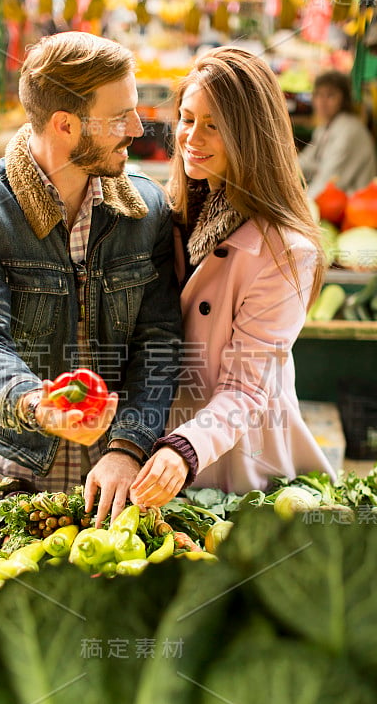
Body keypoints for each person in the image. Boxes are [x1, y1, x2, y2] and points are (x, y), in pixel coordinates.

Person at [0, 31, 182, 524]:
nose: (137, 127)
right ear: (65, 124)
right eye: (119, 117)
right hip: (14, 464)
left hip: (116, 466)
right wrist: (36, 403)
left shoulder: (147, 207)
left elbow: (160, 339)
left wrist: (128, 446)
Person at [129, 46, 336, 510]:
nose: (191, 137)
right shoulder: (169, 213)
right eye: (186, 118)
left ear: (250, 136)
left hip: (240, 464)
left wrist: (186, 448)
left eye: (214, 125)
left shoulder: (286, 253)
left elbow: (246, 388)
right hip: (160, 452)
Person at [298, 69, 377, 199]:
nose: (322, 102)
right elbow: (305, 162)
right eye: (318, 95)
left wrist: (300, 208)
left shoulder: (349, 130)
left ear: (344, 100)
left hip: (356, 205)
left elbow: (329, 182)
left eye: (330, 96)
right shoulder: (325, 128)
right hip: (336, 201)